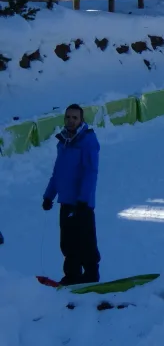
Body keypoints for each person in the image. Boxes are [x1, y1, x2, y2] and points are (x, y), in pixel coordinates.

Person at [42, 104, 101, 285]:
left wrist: (83, 200)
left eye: (75, 117)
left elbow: (90, 172)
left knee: (85, 240)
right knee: (68, 242)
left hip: (81, 203)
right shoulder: (64, 142)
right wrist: (48, 195)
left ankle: (91, 274)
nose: (70, 120)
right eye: (68, 117)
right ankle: (72, 276)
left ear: (81, 120)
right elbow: (58, 172)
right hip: (66, 201)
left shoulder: (88, 141)